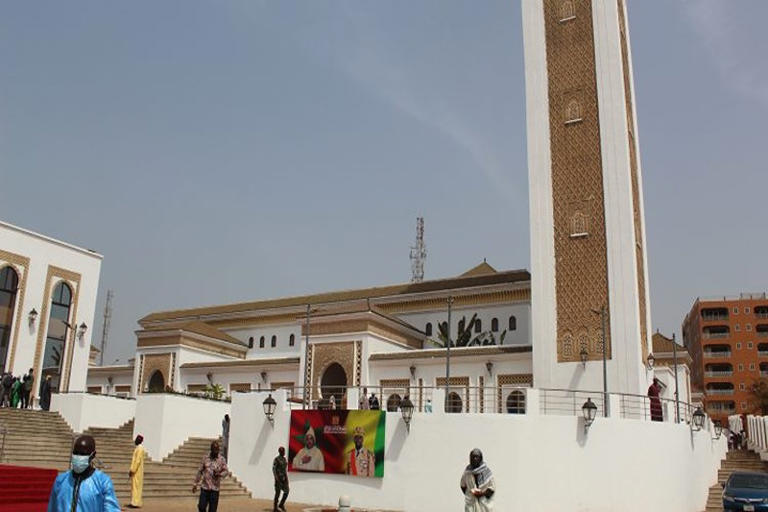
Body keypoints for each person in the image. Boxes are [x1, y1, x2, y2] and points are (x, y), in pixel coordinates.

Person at [47, 434, 121, 511]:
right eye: (75, 453)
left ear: (93, 455)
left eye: (83, 454)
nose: (78, 457)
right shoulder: (61, 480)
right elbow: (52, 508)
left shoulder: (103, 482)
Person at [193, 440, 228, 512]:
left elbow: (226, 471)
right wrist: (195, 484)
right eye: (214, 449)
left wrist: (220, 474)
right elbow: (200, 471)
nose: (216, 451)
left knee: (212, 510)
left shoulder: (222, 459)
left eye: (217, 450)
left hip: (215, 490)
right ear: (211, 449)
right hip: (205, 488)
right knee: (201, 507)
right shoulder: (205, 458)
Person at [128, 435, 145, 508]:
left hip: (137, 471)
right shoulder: (138, 448)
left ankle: (135, 502)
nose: (135, 441)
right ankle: (134, 501)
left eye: (136, 439)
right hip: (137, 471)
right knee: (135, 487)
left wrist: (132, 470)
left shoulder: (140, 449)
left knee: (136, 487)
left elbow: (137, 461)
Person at [272, 446, 289, 512]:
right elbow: (274, 469)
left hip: (284, 479)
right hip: (278, 479)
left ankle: (281, 504)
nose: (284, 452)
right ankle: (275, 507)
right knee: (277, 493)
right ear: (280, 452)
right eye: (283, 451)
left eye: (284, 451)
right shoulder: (276, 459)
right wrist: (276, 478)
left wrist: (287, 478)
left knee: (287, 491)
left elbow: (285, 470)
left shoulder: (284, 459)